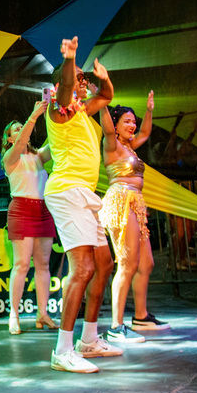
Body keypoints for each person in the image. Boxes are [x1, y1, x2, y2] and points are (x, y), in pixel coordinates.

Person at [42, 37, 123, 372]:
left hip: (86, 194)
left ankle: (88, 340)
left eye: (81, 77)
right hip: (67, 191)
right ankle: (62, 350)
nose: (80, 80)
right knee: (83, 268)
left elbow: (106, 96)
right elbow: (64, 89)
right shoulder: (58, 111)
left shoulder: (81, 111)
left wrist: (103, 79)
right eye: (77, 77)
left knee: (104, 264)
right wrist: (70, 59)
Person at [100, 94, 171, 343]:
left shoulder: (130, 146)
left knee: (146, 263)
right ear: (116, 125)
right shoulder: (112, 145)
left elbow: (145, 132)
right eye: (127, 122)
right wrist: (102, 103)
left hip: (136, 204)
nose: (132, 125)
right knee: (127, 264)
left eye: (133, 121)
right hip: (120, 201)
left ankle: (141, 316)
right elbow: (107, 128)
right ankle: (116, 326)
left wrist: (149, 111)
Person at [0, 100, 59, 334]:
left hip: (43, 210)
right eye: (16, 129)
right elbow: (22, 141)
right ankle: (14, 314)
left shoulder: (37, 156)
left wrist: (59, 112)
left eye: (22, 128)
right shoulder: (10, 157)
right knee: (22, 264)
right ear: (9, 139)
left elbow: (56, 142)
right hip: (22, 210)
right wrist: (33, 115)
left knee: (43, 264)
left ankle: (42, 313)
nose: (21, 131)